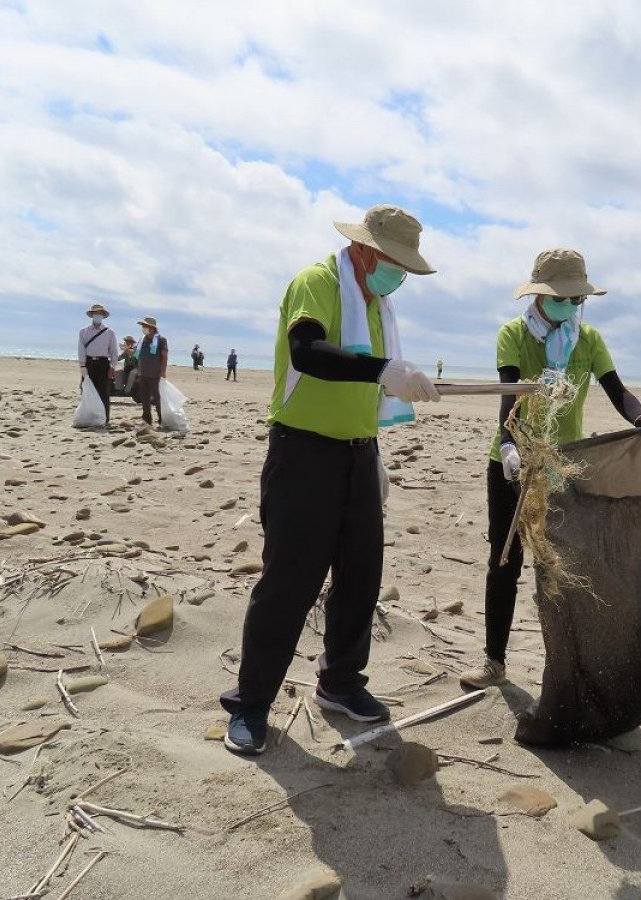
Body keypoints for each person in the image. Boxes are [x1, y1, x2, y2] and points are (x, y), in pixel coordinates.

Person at [220, 204, 441, 755]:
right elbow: (308, 351)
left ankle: (340, 682)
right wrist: (382, 370)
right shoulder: (317, 282)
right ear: (366, 251)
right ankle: (251, 704)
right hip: (303, 453)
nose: (400, 278)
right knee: (289, 582)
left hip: (359, 454)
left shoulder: (376, 304)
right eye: (396, 264)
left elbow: (371, 381)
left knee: (362, 576)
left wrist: (393, 397)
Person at [459, 249, 641, 690]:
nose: (571, 306)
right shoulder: (514, 335)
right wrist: (507, 442)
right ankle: (494, 661)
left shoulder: (588, 340)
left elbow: (618, 391)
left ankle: (562, 667)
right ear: (539, 295)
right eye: (563, 297)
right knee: (505, 561)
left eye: (577, 299)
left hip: (563, 468)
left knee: (558, 568)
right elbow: (510, 396)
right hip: (512, 466)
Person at [78, 303, 117, 425]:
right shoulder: (84, 331)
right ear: (92, 315)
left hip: (103, 364)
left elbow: (114, 351)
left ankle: (105, 419)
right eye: (95, 314)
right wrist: (83, 365)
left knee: (104, 392)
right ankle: (89, 417)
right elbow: (81, 349)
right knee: (87, 391)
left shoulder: (109, 332)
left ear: (103, 316)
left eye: (100, 314)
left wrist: (112, 367)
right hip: (89, 363)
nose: (98, 316)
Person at [135, 317, 168, 426]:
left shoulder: (161, 340)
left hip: (155, 374)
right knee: (144, 399)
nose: (143, 328)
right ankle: (147, 420)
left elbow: (164, 356)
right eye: (143, 326)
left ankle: (161, 420)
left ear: (152, 328)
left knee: (158, 399)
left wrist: (163, 372)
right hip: (143, 374)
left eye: (145, 326)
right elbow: (139, 357)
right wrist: (139, 373)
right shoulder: (142, 340)